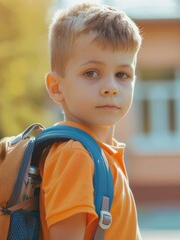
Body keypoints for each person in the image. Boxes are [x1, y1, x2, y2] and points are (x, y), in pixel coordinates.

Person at [40, 2, 142, 239]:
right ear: (57, 88)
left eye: (122, 75)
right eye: (91, 73)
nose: (111, 88)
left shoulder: (101, 153)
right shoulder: (74, 155)